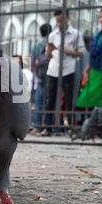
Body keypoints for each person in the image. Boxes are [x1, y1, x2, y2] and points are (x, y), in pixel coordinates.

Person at [41, 9, 85, 137]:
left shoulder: (76, 34)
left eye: (61, 20)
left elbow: (81, 53)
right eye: (57, 21)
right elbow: (47, 57)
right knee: (50, 99)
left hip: (68, 69)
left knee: (69, 99)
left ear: (68, 18)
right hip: (53, 69)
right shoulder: (52, 35)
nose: (59, 23)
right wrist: (49, 51)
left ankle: (71, 128)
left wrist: (66, 50)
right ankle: (47, 128)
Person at [30, 23, 52, 136]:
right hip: (52, 74)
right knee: (51, 101)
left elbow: (32, 64)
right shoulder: (53, 41)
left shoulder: (37, 45)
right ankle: (50, 127)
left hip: (40, 75)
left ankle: (38, 125)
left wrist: (35, 72)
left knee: (39, 101)